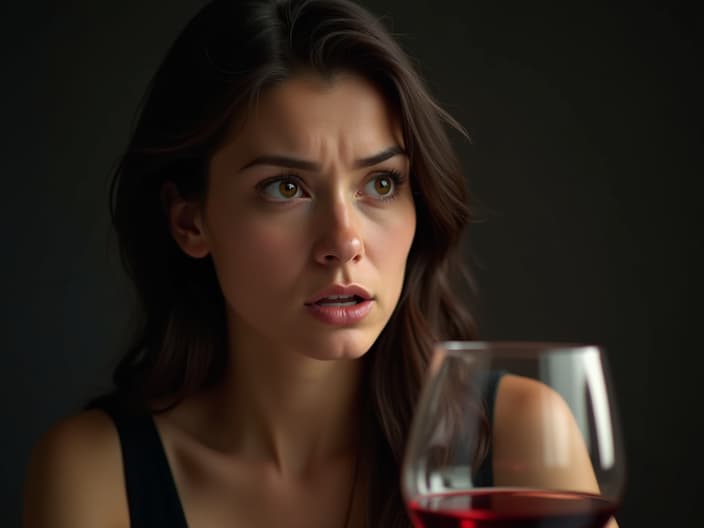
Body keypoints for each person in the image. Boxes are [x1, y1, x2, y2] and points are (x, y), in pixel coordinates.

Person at [23, 1, 616, 527]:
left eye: (381, 182)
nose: (345, 240)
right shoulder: (96, 471)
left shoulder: (517, 437)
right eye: (285, 188)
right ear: (190, 222)